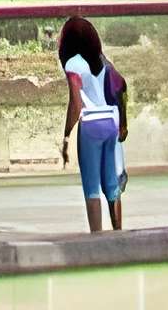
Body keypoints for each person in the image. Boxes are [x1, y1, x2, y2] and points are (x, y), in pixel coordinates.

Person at [57, 15, 126, 233]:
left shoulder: (73, 64)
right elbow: (121, 86)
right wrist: (122, 122)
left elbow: (76, 105)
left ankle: (96, 236)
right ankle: (118, 233)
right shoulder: (102, 60)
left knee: (92, 186)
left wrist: (67, 136)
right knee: (112, 185)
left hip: (91, 124)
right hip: (111, 121)